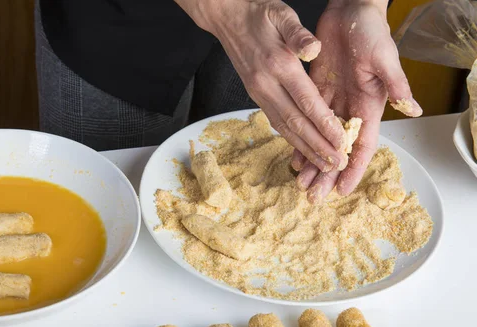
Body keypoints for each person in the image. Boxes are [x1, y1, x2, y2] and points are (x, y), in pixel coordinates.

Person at [36, 0, 421, 203]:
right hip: (123, 20)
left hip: (293, 24)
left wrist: (363, 4)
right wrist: (223, 8)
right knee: (110, 192)